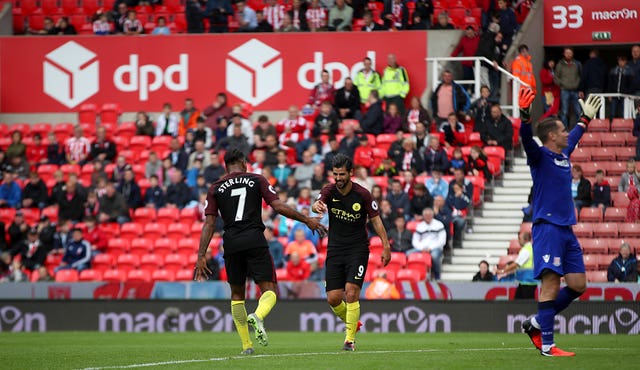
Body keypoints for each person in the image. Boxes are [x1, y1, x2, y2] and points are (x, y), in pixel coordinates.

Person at [194, 149, 326, 355]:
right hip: (254, 239)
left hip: (231, 243)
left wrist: (201, 255)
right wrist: (307, 219)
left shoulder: (216, 187)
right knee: (270, 289)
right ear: (243, 162)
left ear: (225, 166)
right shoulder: (256, 179)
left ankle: (247, 346)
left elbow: (209, 223)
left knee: (237, 295)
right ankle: (258, 315)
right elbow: (278, 206)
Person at [518, 86, 601, 356]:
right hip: (547, 228)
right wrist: (524, 117)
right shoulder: (539, 156)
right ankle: (548, 345)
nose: (567, 133)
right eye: (562, 130)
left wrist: (584, 120)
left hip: (566, 229)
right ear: (552, 136)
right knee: (551, 283)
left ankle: (536, 323)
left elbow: (575, 136)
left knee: (577, 285)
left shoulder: (563, 155)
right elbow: (527, 141)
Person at [312, 154, 391, 351]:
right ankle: (352, 321)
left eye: (341, 174)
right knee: (333, 298)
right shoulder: (329, 191)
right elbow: (317, 203)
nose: (338, 178)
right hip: (335, 249)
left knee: (352, 291)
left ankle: (349, 340)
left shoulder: (363, 194)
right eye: (335, 174)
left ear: (351, 173)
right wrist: (316, 206)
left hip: (358, 249)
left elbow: (376, 220)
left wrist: (386, 245)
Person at [408, 207, 446, 280]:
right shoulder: (420, 226)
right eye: (426, 215)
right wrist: (422, 248)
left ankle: (437, 276)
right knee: (408, 254)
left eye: (429, 215)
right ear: (423, 216)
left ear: (432, 215)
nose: (428, 216)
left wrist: (430, 248)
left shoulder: (439, 225)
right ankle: (413, 275)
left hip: (435, 247)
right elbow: (415, 241)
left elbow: (442, 241)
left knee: (434, 256)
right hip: (422, 248)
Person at [498, 232, 537, 299]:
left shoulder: (525, 250)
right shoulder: (531, 248)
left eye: (520, 238)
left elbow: (516, 264)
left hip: (526, 281)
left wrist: (502, 271)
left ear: (525, 239)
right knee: (520, 301)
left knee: (524, 303)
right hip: (528, 281)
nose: (518, 241)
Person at [554, 48, 582, 128]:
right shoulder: (560, 64)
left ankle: (579, 129)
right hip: (564, 90)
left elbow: (580, 76)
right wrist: (562, 84)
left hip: (575, 90)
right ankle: (565, 130)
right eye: (567, 53)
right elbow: (556, 77)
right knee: (564, 111)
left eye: (570, 53)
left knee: (578, 111)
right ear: (564, 54)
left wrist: (578, 85)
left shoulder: (577, 64)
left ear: (572, 54)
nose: (568, 54)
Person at [607, 55, 635, 120]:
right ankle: (612, 128)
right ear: (618, 61)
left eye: (623, 60)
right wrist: (609, 94)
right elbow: (610, 83)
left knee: (624, 112)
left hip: (624, 95)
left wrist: (628, 93)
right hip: (614, 94)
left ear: (625, 61)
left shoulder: (629, 71)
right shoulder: (613, 71)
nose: (621, 62)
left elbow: (631, 85)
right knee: (612, 112)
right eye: (620, 60)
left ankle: (624, 127)